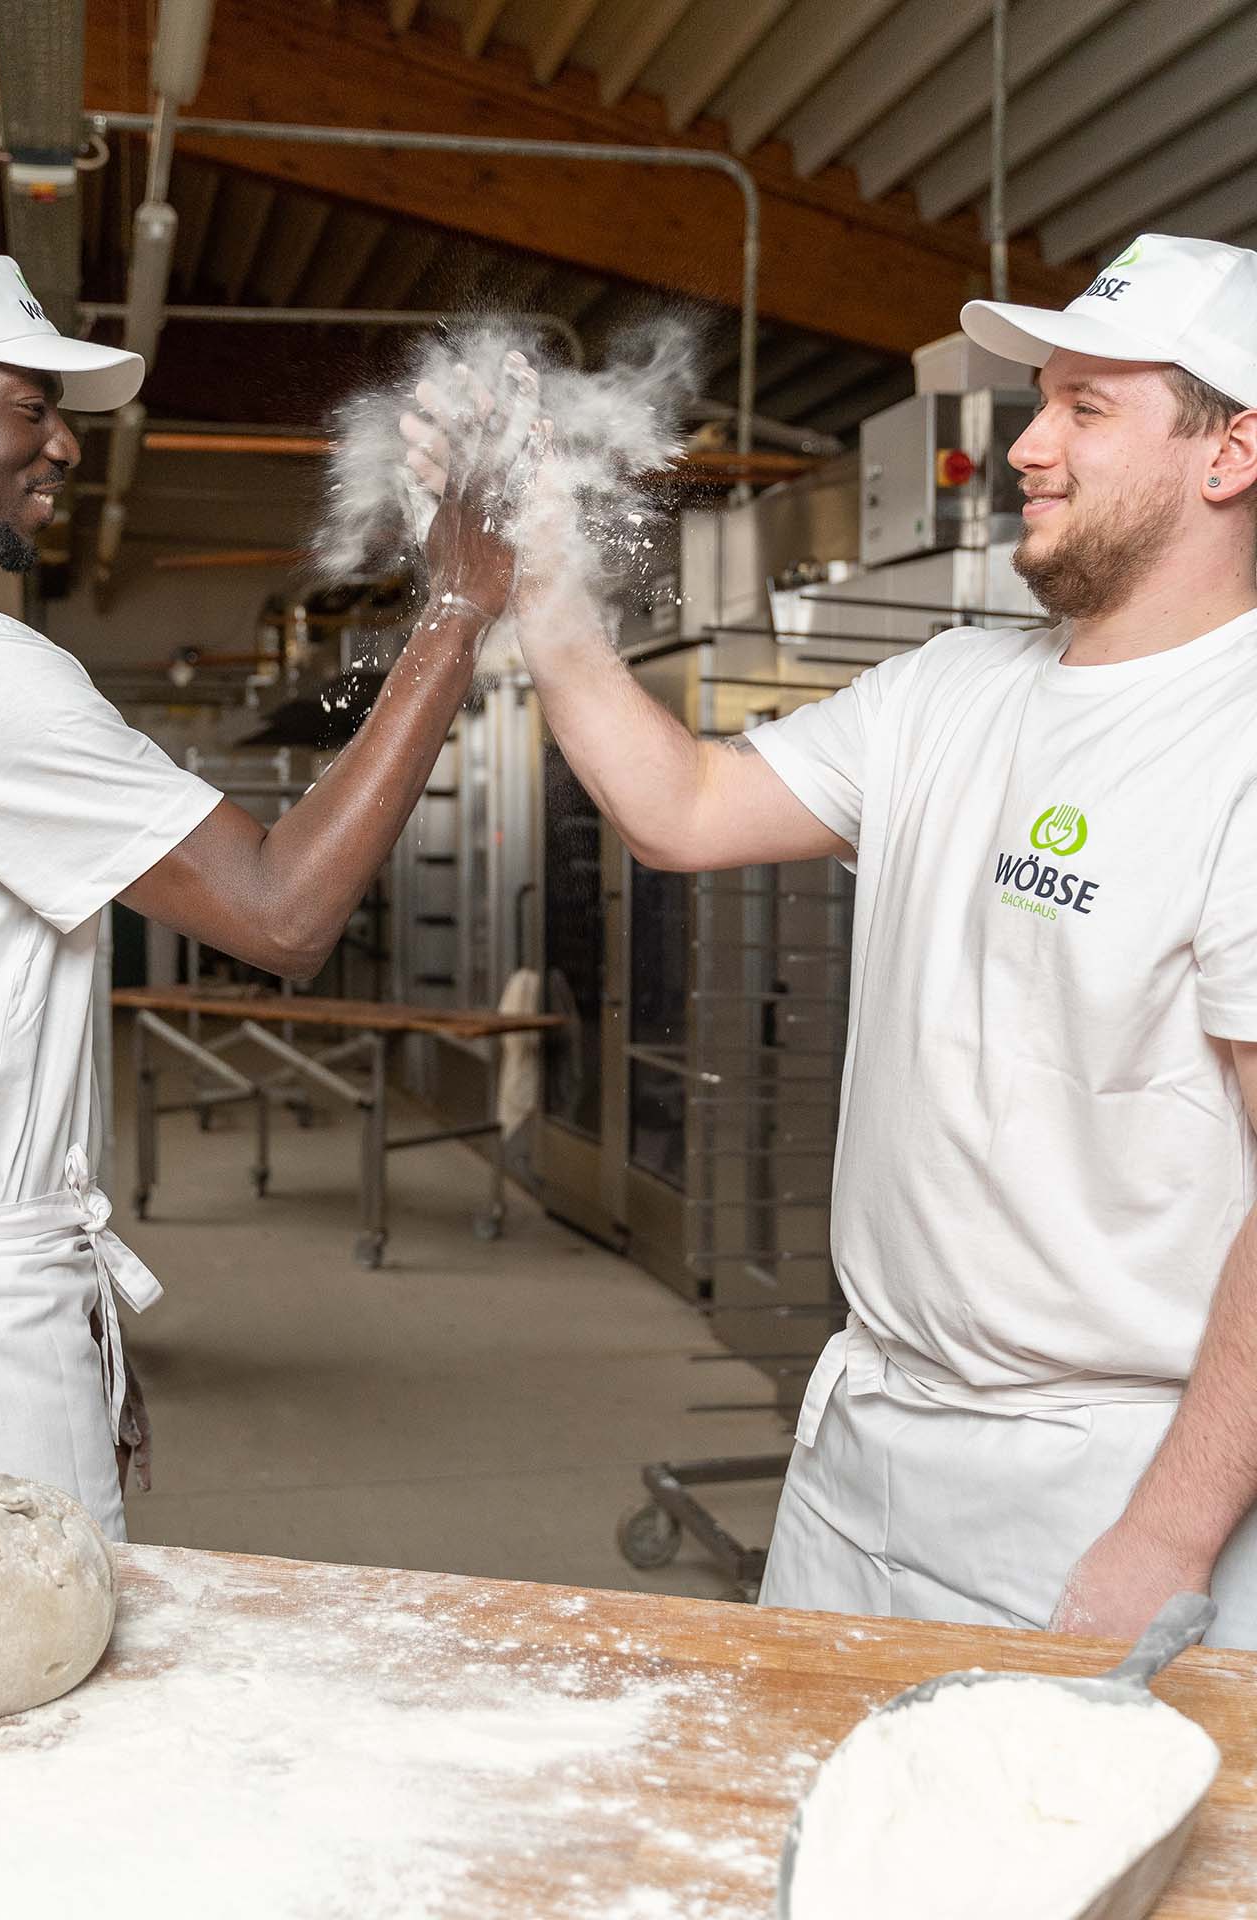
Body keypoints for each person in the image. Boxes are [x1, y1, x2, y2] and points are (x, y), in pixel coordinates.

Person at [404, 232, 1257, 1646]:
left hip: (1109, 1477)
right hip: (865, 1431)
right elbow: (680, 807)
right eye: (1039, 401)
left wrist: (1165, 1533)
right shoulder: (951, 688)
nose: (1025, 446)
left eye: (1085, 409)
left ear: (1230, 455)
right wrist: (536, 579)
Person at [0, 248, 519, 1542]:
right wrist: (457, 611)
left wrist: (64, 1302)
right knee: (14, 1730)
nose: (65, 449)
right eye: (31, 407)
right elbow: (283, 912)